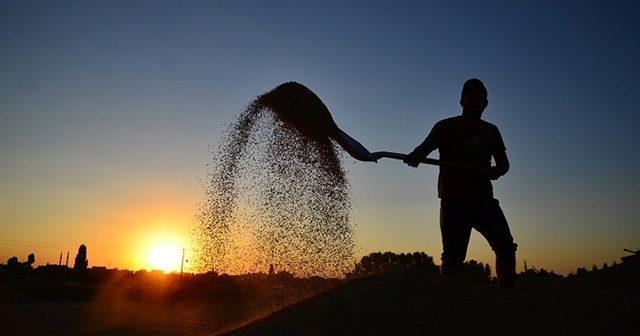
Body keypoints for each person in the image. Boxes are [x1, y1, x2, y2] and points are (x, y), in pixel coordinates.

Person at [403, 78, 518, 288]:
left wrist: (497, 171)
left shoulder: (491, 131)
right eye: (470, 95)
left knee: (506, 247)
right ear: (462, 101)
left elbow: (504, 164)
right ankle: (448, 301)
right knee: (453, 259)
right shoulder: (445, 127)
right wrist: (415, 157)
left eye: (479, 96)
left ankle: (507, 294)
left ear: (486, 103)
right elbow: (424, 148)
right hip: (454, 202)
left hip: (484, 200)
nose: (475, 99)